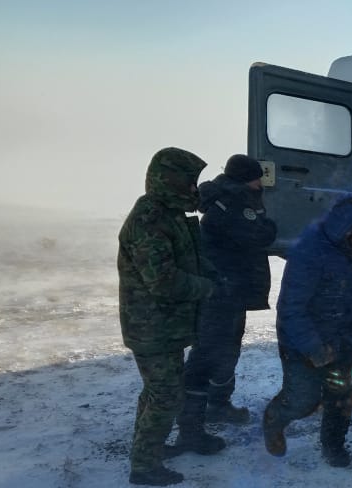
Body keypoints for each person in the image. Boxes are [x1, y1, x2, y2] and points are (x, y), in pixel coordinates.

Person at [262, 192, 352, 467]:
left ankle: (333, 445)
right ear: (348, 230)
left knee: (343, 394)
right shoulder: (310, 254)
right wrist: (314, 348)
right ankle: (275, 419)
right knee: (304, 400)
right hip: (303, 341)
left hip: (345, 337)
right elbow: (291, 310)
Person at [117, 147, 216, 486]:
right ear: (171, 181)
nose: (194, 189)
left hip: (165, 326)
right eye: (189, 182)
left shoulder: (169, 214)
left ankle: (146, 454)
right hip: (151, 327)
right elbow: (162, 280)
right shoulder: (150, 219)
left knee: (157, 392)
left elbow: (188, 260)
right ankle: (144, 467)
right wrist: (207, 288)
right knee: (165, 395)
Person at [172, 155, 277, 453]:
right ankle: (190, 428)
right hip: (220, 292)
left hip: (232, 291)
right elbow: (260, 234)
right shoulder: (232, 202)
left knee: (228, 348)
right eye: (257, 178)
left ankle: (218, 404)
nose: (261, 183)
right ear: (246, 178)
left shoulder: (236, 197)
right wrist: (268, 224)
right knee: (207, 353)